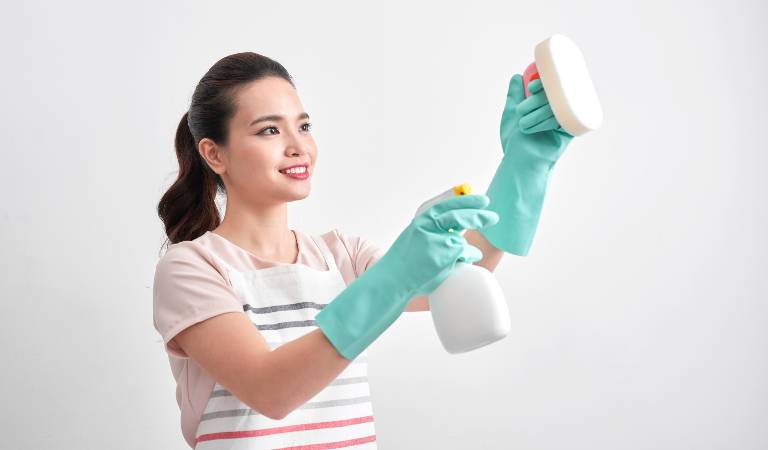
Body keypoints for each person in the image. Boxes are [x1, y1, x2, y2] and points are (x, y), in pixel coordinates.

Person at [153, 52, 573, 449]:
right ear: (213, 153)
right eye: (269, 130)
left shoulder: (342, 256)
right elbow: (271, 390)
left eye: (303, 126)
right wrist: (396, 274)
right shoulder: (193, 268)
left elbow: (465, 273)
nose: (298, 146)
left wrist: (524, 164)